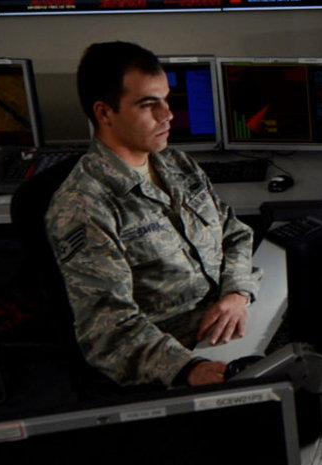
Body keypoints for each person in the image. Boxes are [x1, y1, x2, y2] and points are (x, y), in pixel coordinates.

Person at [45, 41, 261, 389]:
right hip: (179, 359)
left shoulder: (176, 164)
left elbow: (233, 232)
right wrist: (190, 369)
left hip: (235, 319)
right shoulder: (83, 207)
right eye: (149, 105)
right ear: (104, 113)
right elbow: (109, 331)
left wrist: (236, 294)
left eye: (166, 99)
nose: (167, 115)